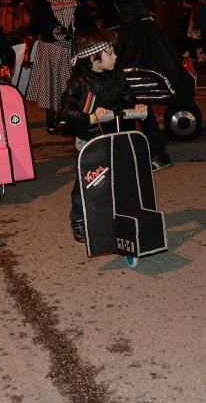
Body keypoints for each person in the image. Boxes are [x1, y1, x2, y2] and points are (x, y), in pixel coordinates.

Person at [84, 0, 174, 171]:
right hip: (124, 30)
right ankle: (130, 151)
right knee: (125, 93)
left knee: (130, 92)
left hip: (131, 32)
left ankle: (154, 153)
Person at [59, 29, 147, 243]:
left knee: (119, 178)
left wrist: (137, 106)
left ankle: (121, 215)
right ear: (93, 58)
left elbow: (127, 98)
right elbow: (65, 112)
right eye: (110, 53)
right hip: (90, 140)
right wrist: (90, 117)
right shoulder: (78, 82)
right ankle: (79, 217)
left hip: (116, 135)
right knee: (88, 181)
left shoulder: (117, 75)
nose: (115, 56)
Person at [25, 0, 92, 134]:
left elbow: (87, 23)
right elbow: (34, 28)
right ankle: (51, 118)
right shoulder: (42, 0)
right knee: (52, 86)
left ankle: (71, 118)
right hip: (50, 49)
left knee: (72, 86)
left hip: (73, 48)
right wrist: (27, 52)